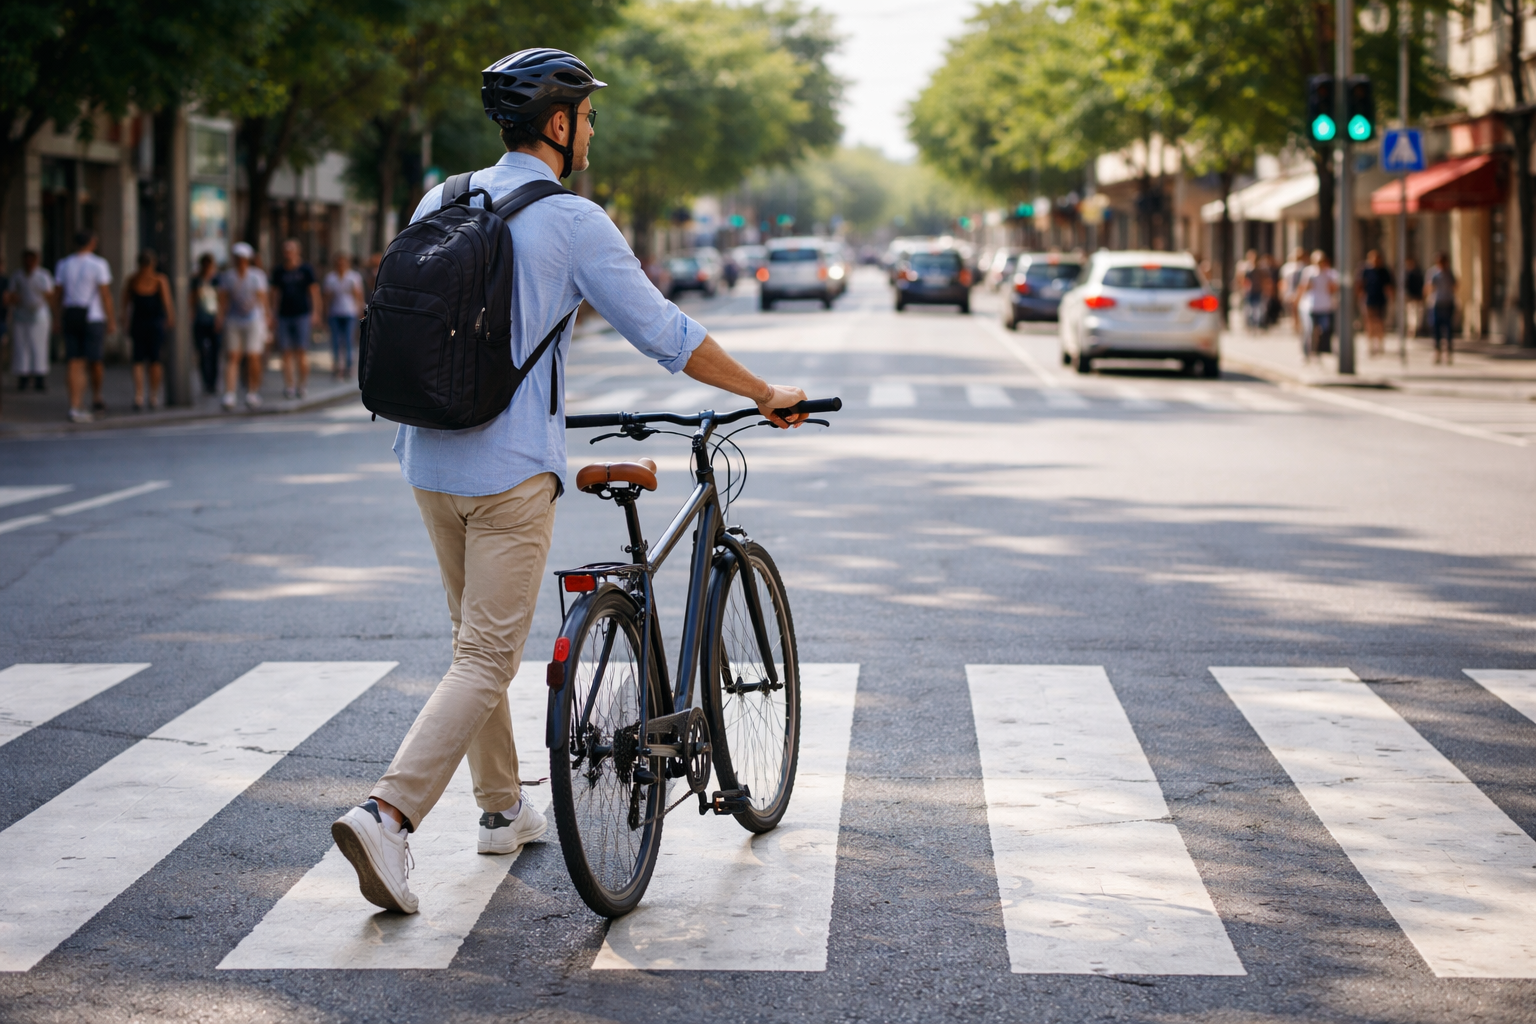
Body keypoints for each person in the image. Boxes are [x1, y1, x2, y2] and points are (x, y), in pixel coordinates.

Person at [328, 47, 809, 916]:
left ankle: (503, 807)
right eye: (587, 115)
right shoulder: (573, 221)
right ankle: (388, 814)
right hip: (509, 473)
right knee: (485, 656)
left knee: (471, 644)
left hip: (426, 457)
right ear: (558, 124)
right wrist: (762, 392)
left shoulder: (439, 199)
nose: (592, 129)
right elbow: (667, 333)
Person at [55, 230, 115, 422]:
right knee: (95, 360)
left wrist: (57, 318)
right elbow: (105, 294)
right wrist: (111, 319)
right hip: (93, 316)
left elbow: (58, 294)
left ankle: (75, 404)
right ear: (92, 243)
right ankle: (96, 396)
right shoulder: (99, 264)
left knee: (74, 361)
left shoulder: (63, 264)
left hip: (71, 314)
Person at [218, 241, 272, 410]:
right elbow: (223, 299)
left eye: (243, 258)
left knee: (252, 356)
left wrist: (266, 319)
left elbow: (263, 299)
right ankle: (230, 394)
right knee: (233, 356)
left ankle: (252, 392)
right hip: (234, 318)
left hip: (253, 319)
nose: (240, 261)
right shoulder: (228, 276)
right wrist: (220, 317)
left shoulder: (256, 276)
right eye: (237, 258)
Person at [122, 250, 175, 411]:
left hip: (155, 323)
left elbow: (167, 302)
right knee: (138, 360)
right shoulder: (132, 280)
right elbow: (125, 302)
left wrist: (170, 318)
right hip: (139, 323)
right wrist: (124, 319)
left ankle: (153, 393)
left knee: (155, 360)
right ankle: (139, 394)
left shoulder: (160, 280)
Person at [272, 239, 321, 400]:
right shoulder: (279, 271)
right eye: (286, 250)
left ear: (297, 251)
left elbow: (314, 292)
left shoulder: (306, 269)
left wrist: (315, 313)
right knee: (285, 352)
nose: (288, 254)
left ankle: (302, 385)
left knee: (301, 352)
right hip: (284, 315)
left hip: (302, 315)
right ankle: (289, 385)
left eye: (291, 250)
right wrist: (272, 313)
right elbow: (275, 293)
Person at [5, 250, 54, 392]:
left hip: (39, 315)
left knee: (39, 346)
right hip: (21, 314)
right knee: (21, 346)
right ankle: (23, 376)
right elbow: (11, 294)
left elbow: (49, 294)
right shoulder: (18, 276)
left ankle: (39, 376)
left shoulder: (43, 275)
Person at [322, 253, 364, 380]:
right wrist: (325, 312)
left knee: (348, 340)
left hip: (350, 312)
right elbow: (327, 297)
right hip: (335, 312)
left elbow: (358, 295)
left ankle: (348, 366)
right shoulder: (331, 278)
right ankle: (337, 366)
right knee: (335, 341)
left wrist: (360, 310)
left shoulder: (353, 277)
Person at [1297, 250, 1339, 362]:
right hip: (1309, 306)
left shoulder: (1331, 273)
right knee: (1309, 330)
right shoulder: (1309, 272)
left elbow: (1333, 290)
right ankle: (1307, 353)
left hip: (1325, 306)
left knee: (1324, 330)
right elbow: (1303, 288)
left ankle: (1319, 352)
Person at [191, 254, 222, 395]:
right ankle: (205, 380)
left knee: (215, 353)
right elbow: (191, 300)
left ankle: (213, 382)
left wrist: (220, 318)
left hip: (214, 320)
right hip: (200, 320)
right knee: (202, 352)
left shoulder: (217, 280)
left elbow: (222, 299)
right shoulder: (196, 281)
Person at [1356, 249, 1394, 358]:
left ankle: (1380, 344)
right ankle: (1370, 344)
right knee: (1369, 322)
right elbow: (1360, 285)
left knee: (1380, 322)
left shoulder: (1384, 271)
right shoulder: (1366, 270)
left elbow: (1388, 286)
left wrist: (1391, 298)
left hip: (1381, 299)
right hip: (1369, 299)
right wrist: (1360, 297)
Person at [1427, 253, 1457, 364]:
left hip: (1448, 304)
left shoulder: (1450, 274)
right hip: (1437, 304)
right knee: (1436, 329)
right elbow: (1429, 288)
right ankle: (1437, 352)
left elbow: (1455, 286)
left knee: (1448, 330)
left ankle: (1448, 353)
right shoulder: (1434, 274)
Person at [1279, 246, 1309, 342]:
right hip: (1292, 292)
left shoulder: (1305, 268)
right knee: (1294, 311)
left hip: (1300, 294)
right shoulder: (1288, 268)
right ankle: (1296, 327)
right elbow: (1284, 282)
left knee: (1298, 312)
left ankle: (1299, 327)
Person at [1403, 255, 1425, 338]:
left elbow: (1421, 285)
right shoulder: (1406, 273)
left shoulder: (1417, 272)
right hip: (1410, 297)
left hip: (1417, 296)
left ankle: (1416, 330)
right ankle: (1412, 330)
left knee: (1417, 314)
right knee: (1411, 314)